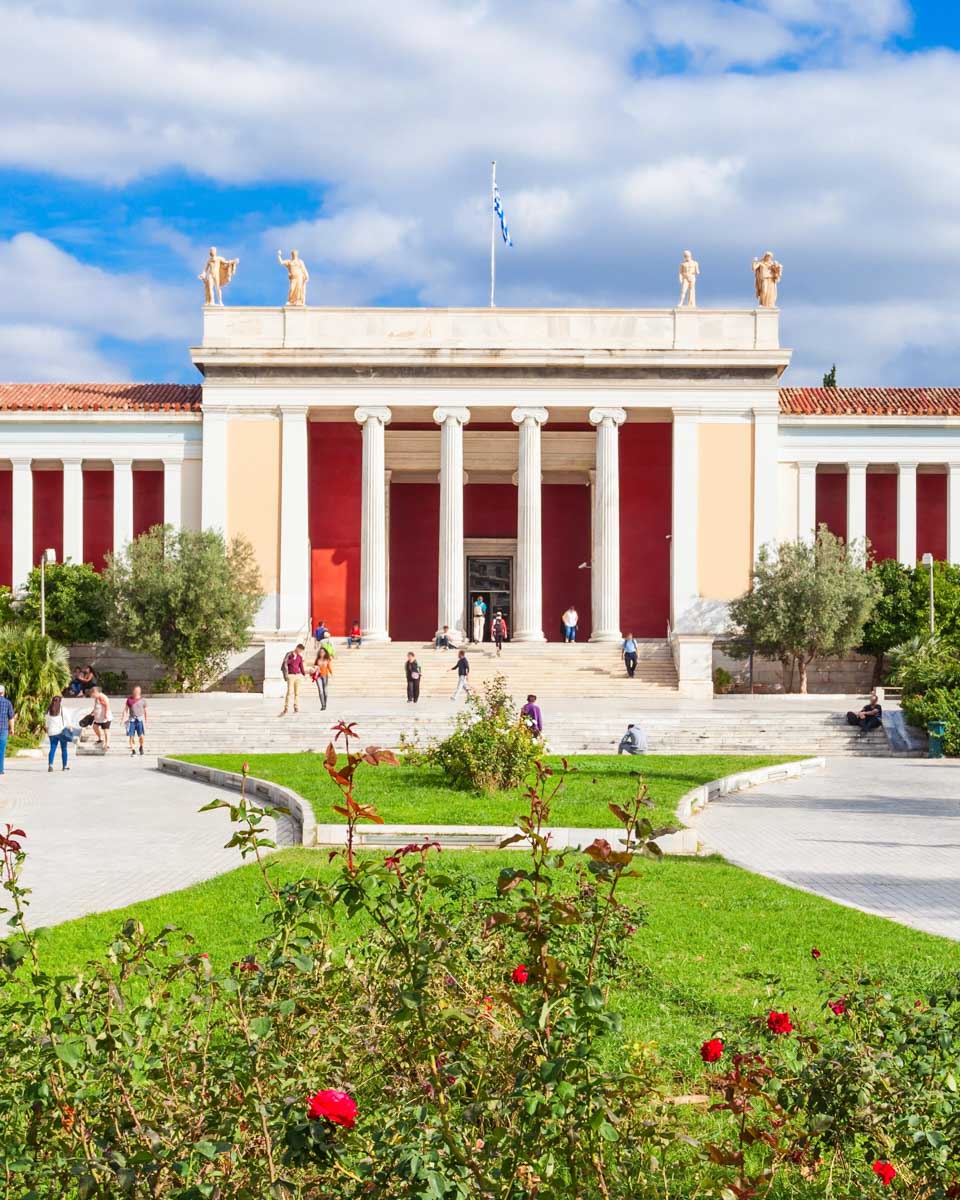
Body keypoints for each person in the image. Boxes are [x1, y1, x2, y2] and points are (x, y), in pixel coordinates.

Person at [45, 696, 70, 772]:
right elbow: (68, 720)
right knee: (64, 749)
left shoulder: (48, 710)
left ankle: (50, 765)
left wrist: (47, 730)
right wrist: (70, 727)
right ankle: (64, 766)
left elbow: (46, 723)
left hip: (52, 732)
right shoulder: (63, 709)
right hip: (61, 732)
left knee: (52, 749)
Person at [280, 643, 306, 715]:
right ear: (297, 648)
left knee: (297, 693)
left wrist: (304, 674)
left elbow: (301, 666)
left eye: (301, 651)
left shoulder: (300, 657)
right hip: (290, 675)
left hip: (298, 676)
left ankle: (296, 706)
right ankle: (286, 707)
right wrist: (293, 658)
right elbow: (285, 663)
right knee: (289, 692)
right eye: (299, 650)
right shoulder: (289, 654)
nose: (300, 652)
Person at [122, 686, 148, 757]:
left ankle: (141, 747)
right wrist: (123, 718)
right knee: (131, 736)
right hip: (132, 720)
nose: (136, 692)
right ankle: (133, 751)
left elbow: (145, 711)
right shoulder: (129, 700)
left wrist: (146, 720)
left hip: (140, 720)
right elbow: (125, 710)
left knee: (141, 736)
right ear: (133, 691)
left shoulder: (143, 700)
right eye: (135, 690)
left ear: (140, 691)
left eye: (137, 690)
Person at [88, 686, 112, 751]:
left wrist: (106, 714)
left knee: (106, 731)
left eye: (92, 693)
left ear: (95, 692)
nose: (91, 695)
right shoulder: (97, 697)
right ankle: (100, 739)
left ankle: (107, 744)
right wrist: (92, 712)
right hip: (99, 718)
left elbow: (107, 705)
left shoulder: (101, 697)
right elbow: (96, 706)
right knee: (95, 727)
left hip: (104, 718)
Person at [312, 647, 333, 711]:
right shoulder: (317, 659)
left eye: (323, 652)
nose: (322, 653)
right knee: (320, 691)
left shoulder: (327, 659)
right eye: (320, 652)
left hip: (325, 676)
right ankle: (323, 705)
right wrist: (315, 668)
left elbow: (329, 666)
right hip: (318, 676)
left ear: (325, 653)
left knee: (325, 691)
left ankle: (325, 703)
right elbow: (314, 666)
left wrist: (331, 673)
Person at [0, 685, 14, 775]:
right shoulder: (8, 703)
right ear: (3, 692)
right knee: (1, 750)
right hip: (3, 729)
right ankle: (0, 769)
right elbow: (11, 717)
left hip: (4, 729)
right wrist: (12, 728)